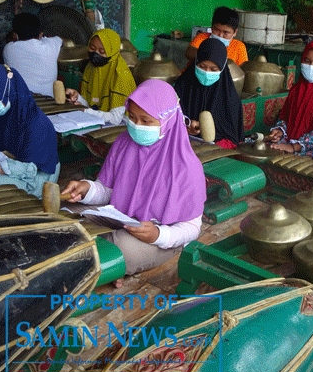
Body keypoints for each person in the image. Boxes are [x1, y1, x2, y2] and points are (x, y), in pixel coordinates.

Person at [62, 79, 206, 282]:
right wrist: (87, 189)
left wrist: (158, 235)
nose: (136, 126)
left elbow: (192, 228)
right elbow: (109, 190)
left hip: (159, 235)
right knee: (65, 212)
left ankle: (110, 264)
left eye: (146, 121)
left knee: (123, 248)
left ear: (168, 120)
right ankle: (111, 266)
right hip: (121, 217)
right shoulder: (123, 143)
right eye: (132, 117)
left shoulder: (186, 166)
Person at [0, 63, 59, 198]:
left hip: (36, 178)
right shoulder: (6, 115)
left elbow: (30, 169)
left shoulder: (37, 125)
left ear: (5, 92)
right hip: (14, 166)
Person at [174, 38, 244, 149]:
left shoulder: (230, 100)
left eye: (213, 69)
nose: (207, 72)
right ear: (196, 62)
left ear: (222, 69)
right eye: (202, 66)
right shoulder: (182, 86)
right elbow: (169, 121)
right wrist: (186, 126)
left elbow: (234, 139)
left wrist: (211, 145)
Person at [66, 29, 136, 125]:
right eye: (92, 48)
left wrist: (85, 111)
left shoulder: (121, 75)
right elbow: (91, 104)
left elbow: (115, 119)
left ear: (112, 52)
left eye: (102, 51)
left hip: (120, 127)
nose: (95, 53)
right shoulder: (91, 67)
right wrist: (77, 97)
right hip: (97, 119)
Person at [3, 12, 62, 98]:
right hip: (50, 100)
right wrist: (44, 38)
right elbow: (62, 40)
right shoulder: (52, 44)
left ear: (15, 34)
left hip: (22, 103)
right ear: (39, 33)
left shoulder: (8, 49)